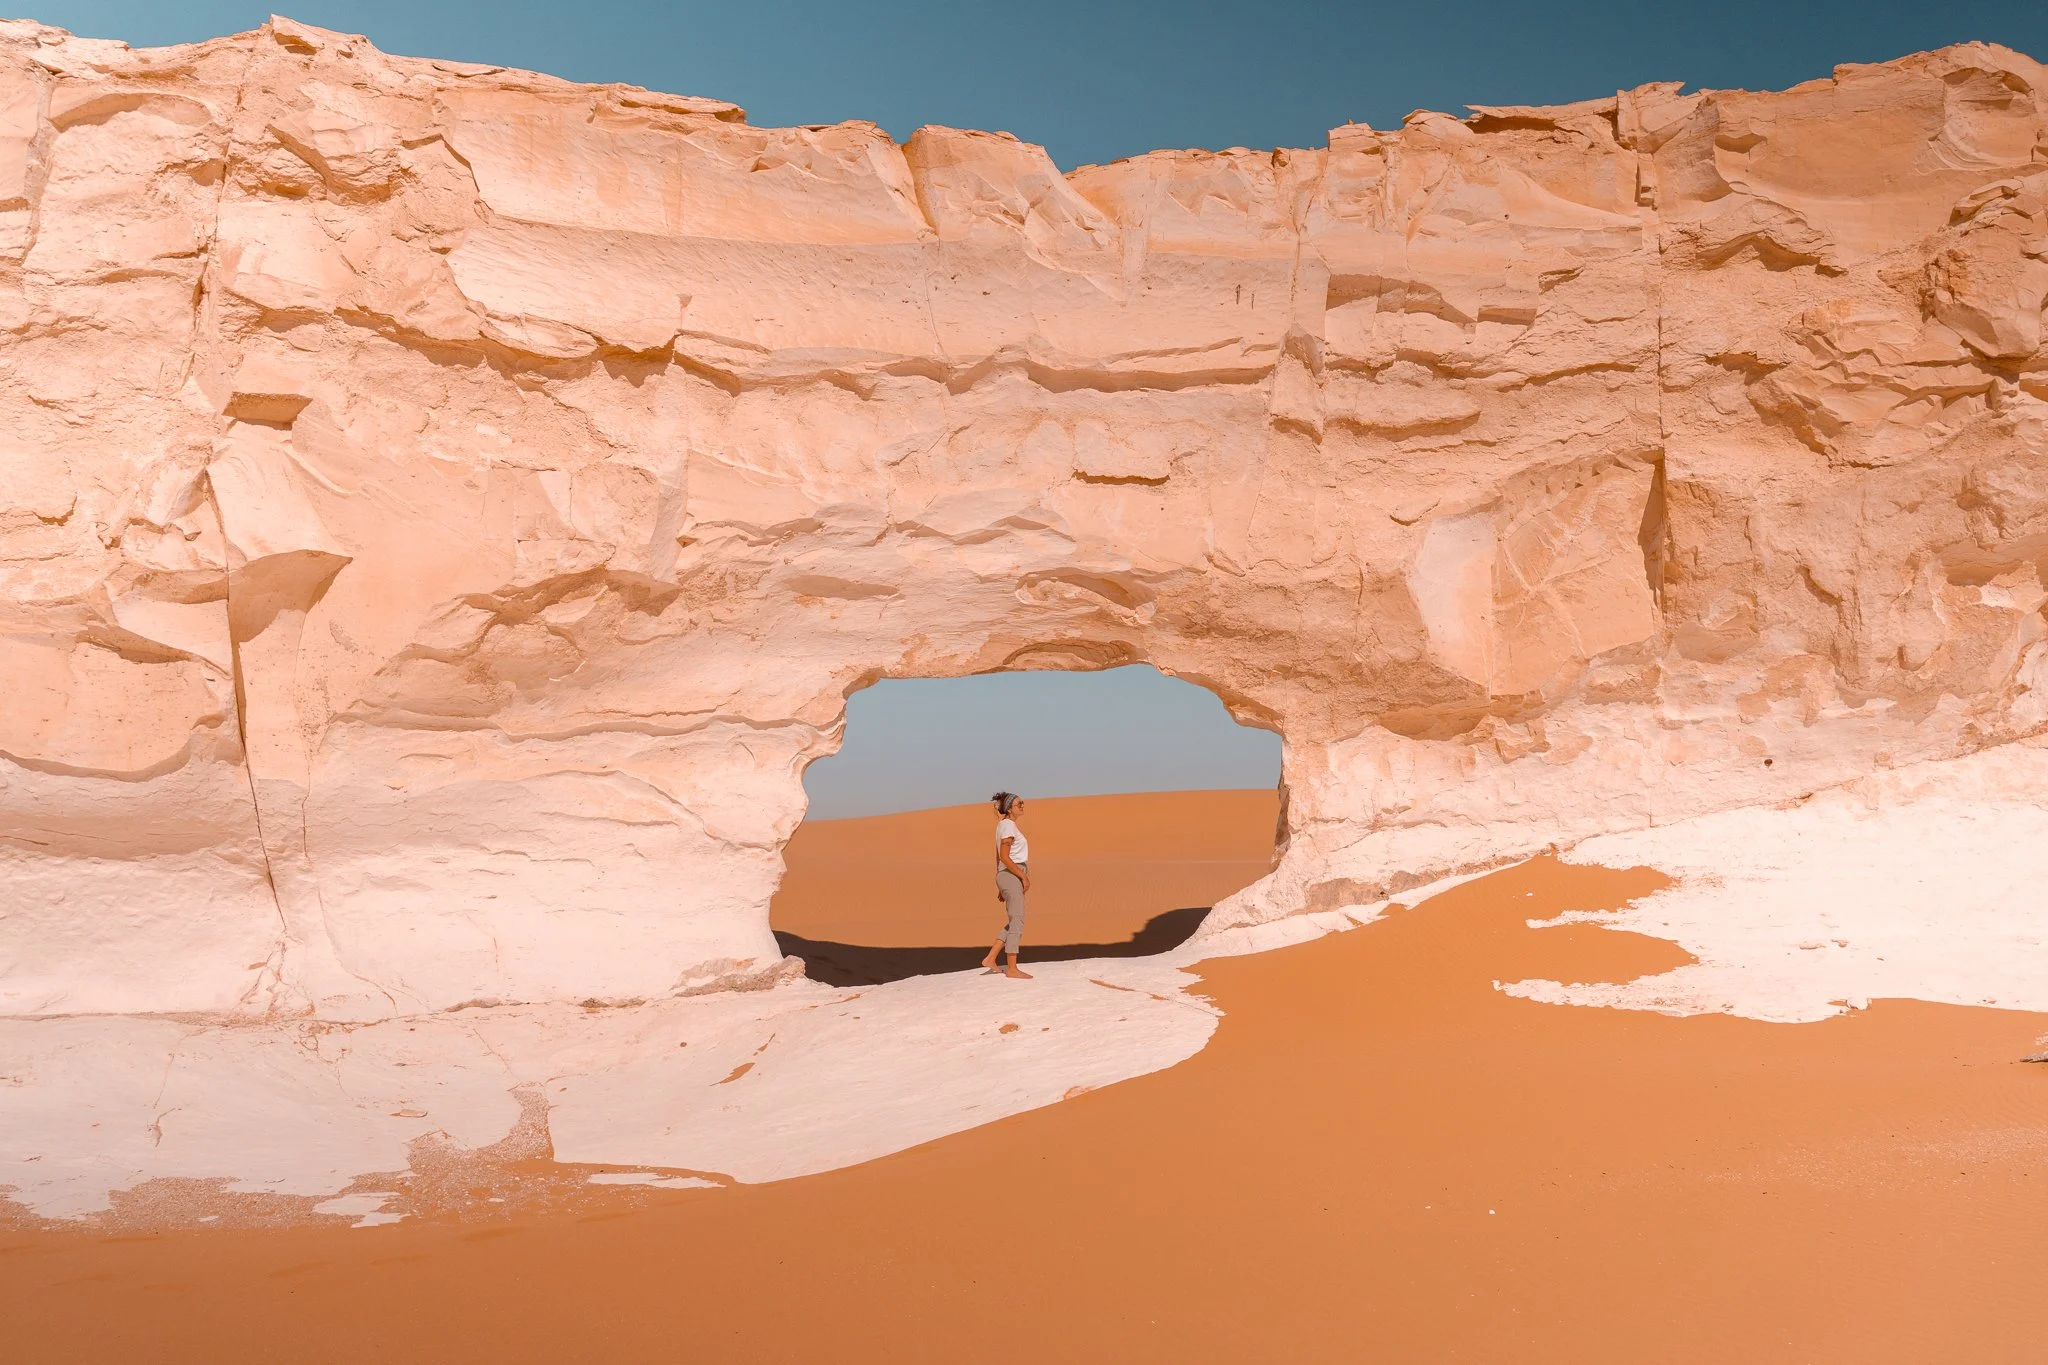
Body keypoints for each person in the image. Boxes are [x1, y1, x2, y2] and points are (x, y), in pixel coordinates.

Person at [982, 791, 1033, 979]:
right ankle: (1012, 968)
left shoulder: (1004, 826)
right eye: (1019, 803)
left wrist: (1000, 882)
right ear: (1010, 808)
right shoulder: (1008, 826)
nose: (1022, 806)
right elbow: (1004, 856)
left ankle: (991, 957)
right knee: (1018, 920)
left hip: (1007, 875)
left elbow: (999, 857)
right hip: (1012, 874)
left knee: (1014, 919)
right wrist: (1023, 877)